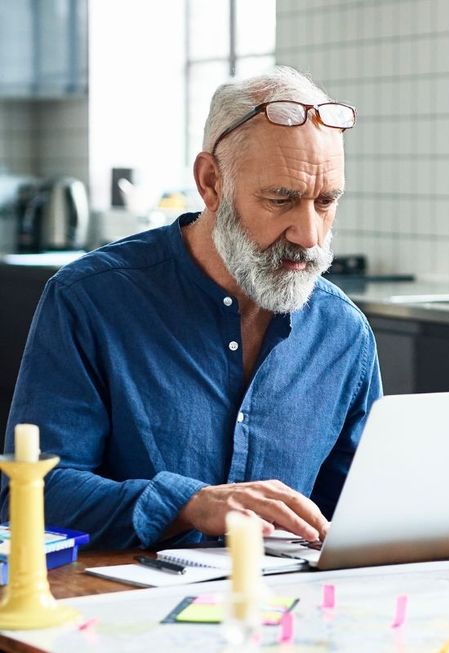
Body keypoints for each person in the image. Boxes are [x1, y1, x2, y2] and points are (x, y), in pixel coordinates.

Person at [1, 66, 381, 549]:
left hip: (283, 611)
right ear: (211, 182)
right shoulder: (89, 300)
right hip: (120, 611)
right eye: (281, 199)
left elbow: (359, 511)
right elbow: (30, 497)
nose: (309, 235)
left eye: (326, 201)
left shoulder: (343, 332)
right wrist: (188, 505)